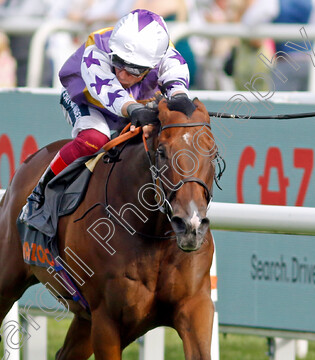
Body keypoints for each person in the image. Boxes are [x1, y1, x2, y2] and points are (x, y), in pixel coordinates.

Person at [25, 8, 192, 209]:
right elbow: (109, 90)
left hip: (132, 105)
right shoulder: (97, 50)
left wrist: (179, 96)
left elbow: (176, 78)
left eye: (134, 70)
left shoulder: (167, 55)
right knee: (94, 139)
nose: (122, 75)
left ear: (153, 64)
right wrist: (133, 109)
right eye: (118, 63)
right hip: (86, 99)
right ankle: (39, 192)